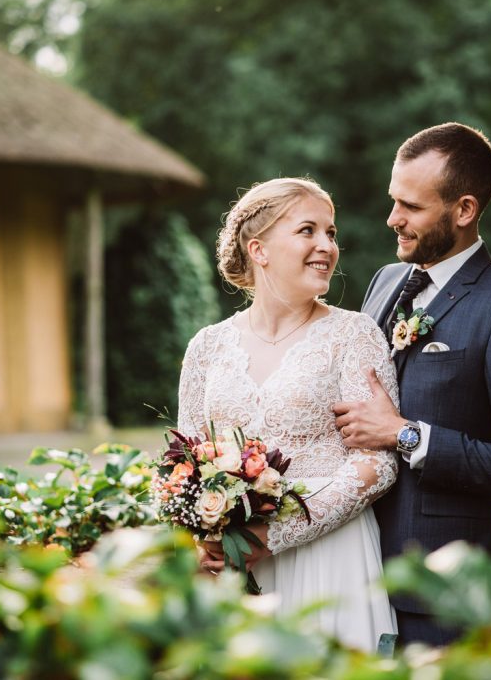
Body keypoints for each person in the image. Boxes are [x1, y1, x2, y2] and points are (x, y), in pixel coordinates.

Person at [332, 122, 491, 646]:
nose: (393, 219)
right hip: (353, 571)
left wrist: (407, 435)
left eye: (411, 207)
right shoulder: (386, 281)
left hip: (439, 597)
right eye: (394, 201)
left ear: (464, 210)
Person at [179, 177, 399, 652]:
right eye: (308, 231)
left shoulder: (353, 335)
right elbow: (185, 463)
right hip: (236, 564)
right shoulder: (207, 347)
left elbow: (377, 465)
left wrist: (274, 534)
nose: (326, 246)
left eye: (331, 233)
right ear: (259, 250)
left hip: (331, 557)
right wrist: (203, 537)